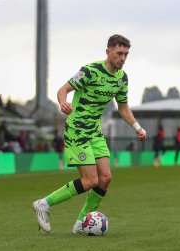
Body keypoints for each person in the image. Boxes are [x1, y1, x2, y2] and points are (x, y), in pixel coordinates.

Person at [32, 34, 147, 233]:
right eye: (119, 53)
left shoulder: (121, 78)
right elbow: (63, 89)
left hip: (94, 131)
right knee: (90, 180)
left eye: (126, 54)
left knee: (106, 178)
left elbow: (123, 107)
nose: (122, 58)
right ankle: (43, 204)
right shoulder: (90, 71)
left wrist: (137, 127)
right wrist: (62, 102)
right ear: (108, 52)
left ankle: (80, 223)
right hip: (77, 130)